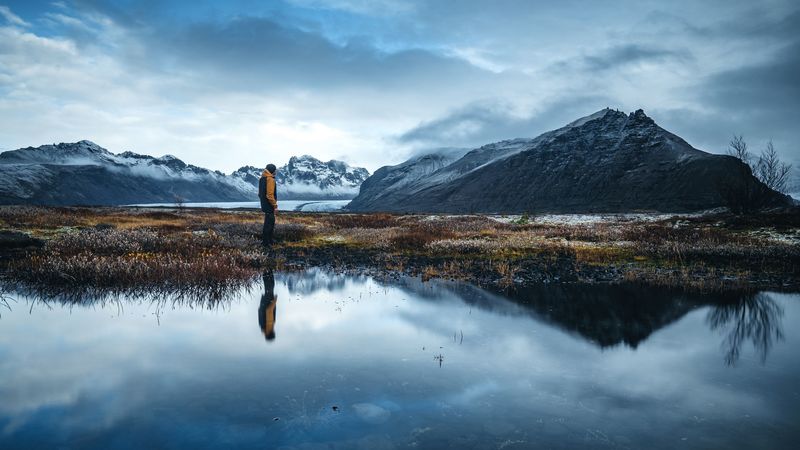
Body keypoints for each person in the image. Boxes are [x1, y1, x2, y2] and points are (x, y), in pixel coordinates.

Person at [258, 163, 278, 250]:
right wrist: (275, 205)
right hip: (269, 205)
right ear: (272, 170)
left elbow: (259, 194)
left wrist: (263, 202)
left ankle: (269, 240)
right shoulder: (270, 179)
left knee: (268, 222)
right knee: (269, 223)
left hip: (264, 204)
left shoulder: (262, 179)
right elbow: (270, 195)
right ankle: (266, 243)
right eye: (275, 170)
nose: (276, 172)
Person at [258, 269, 278, 342]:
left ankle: (267, 268)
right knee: (268, 285)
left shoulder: (269, 326)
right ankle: (265, 269)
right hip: (264, 302)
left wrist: (274, 301)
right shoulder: (262, 327)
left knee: (270, 284)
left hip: (268, 301)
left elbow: (269, 311)